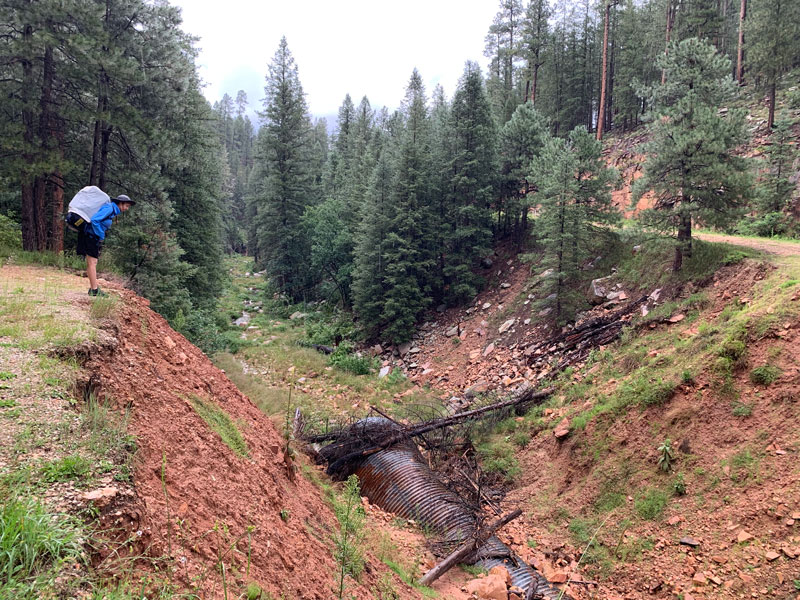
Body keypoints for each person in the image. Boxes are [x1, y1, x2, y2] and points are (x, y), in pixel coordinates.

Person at [76, 194, 135, 296]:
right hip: (91, 236)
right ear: (120, 203)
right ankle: (94, 290)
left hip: (91, 235)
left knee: (92, 262)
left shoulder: (111, 209)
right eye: (126, 206)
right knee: (92, 263)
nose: (126, 208)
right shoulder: (110, 208)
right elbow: (95, 220)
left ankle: (93, 288)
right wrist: (101, 234)